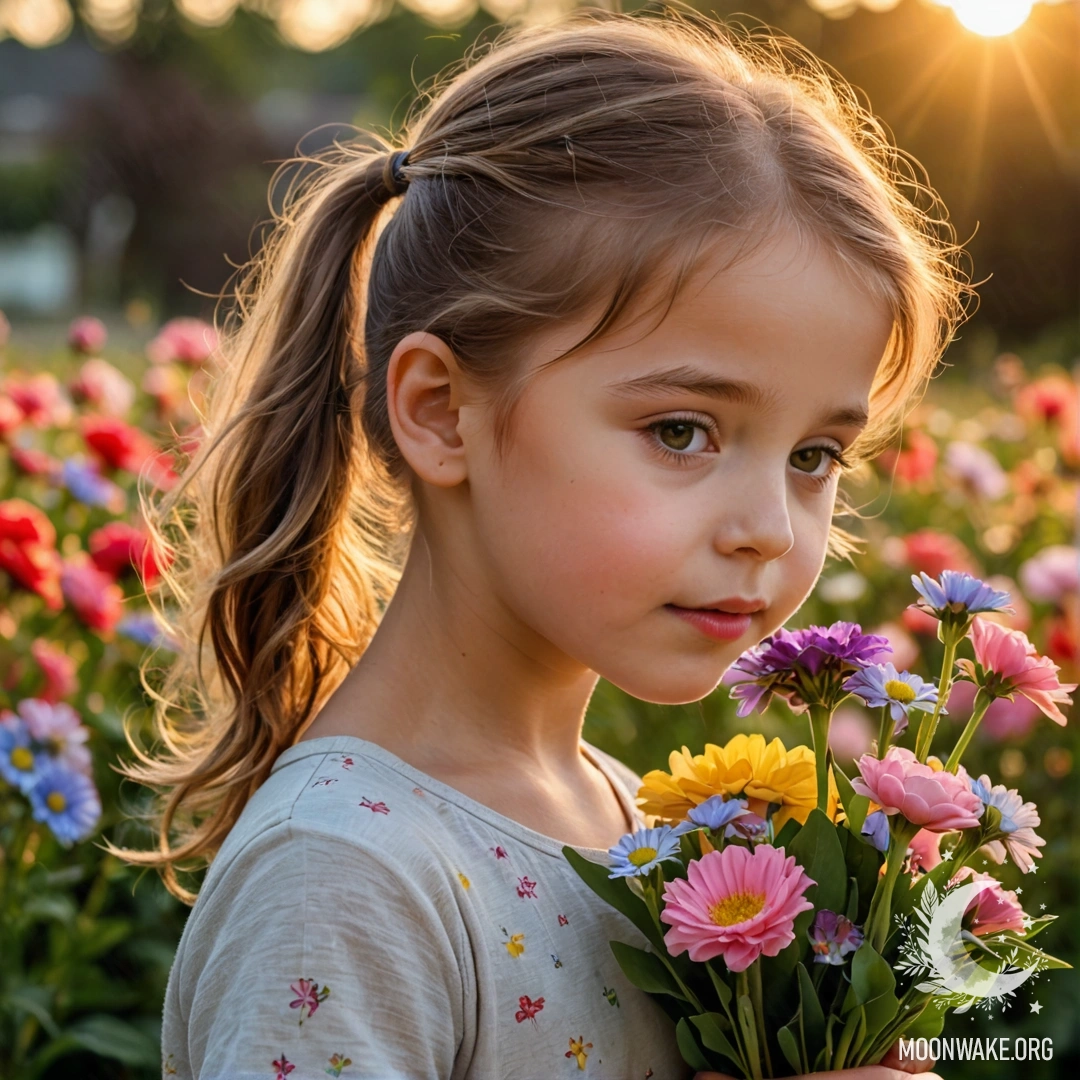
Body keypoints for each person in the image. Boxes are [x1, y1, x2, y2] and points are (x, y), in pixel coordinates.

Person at [114, 6, 970, 1078]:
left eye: (815, 455)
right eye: (681, 432)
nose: (767, 530)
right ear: (440, 412)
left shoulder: (632, 819)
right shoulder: (343, 878)